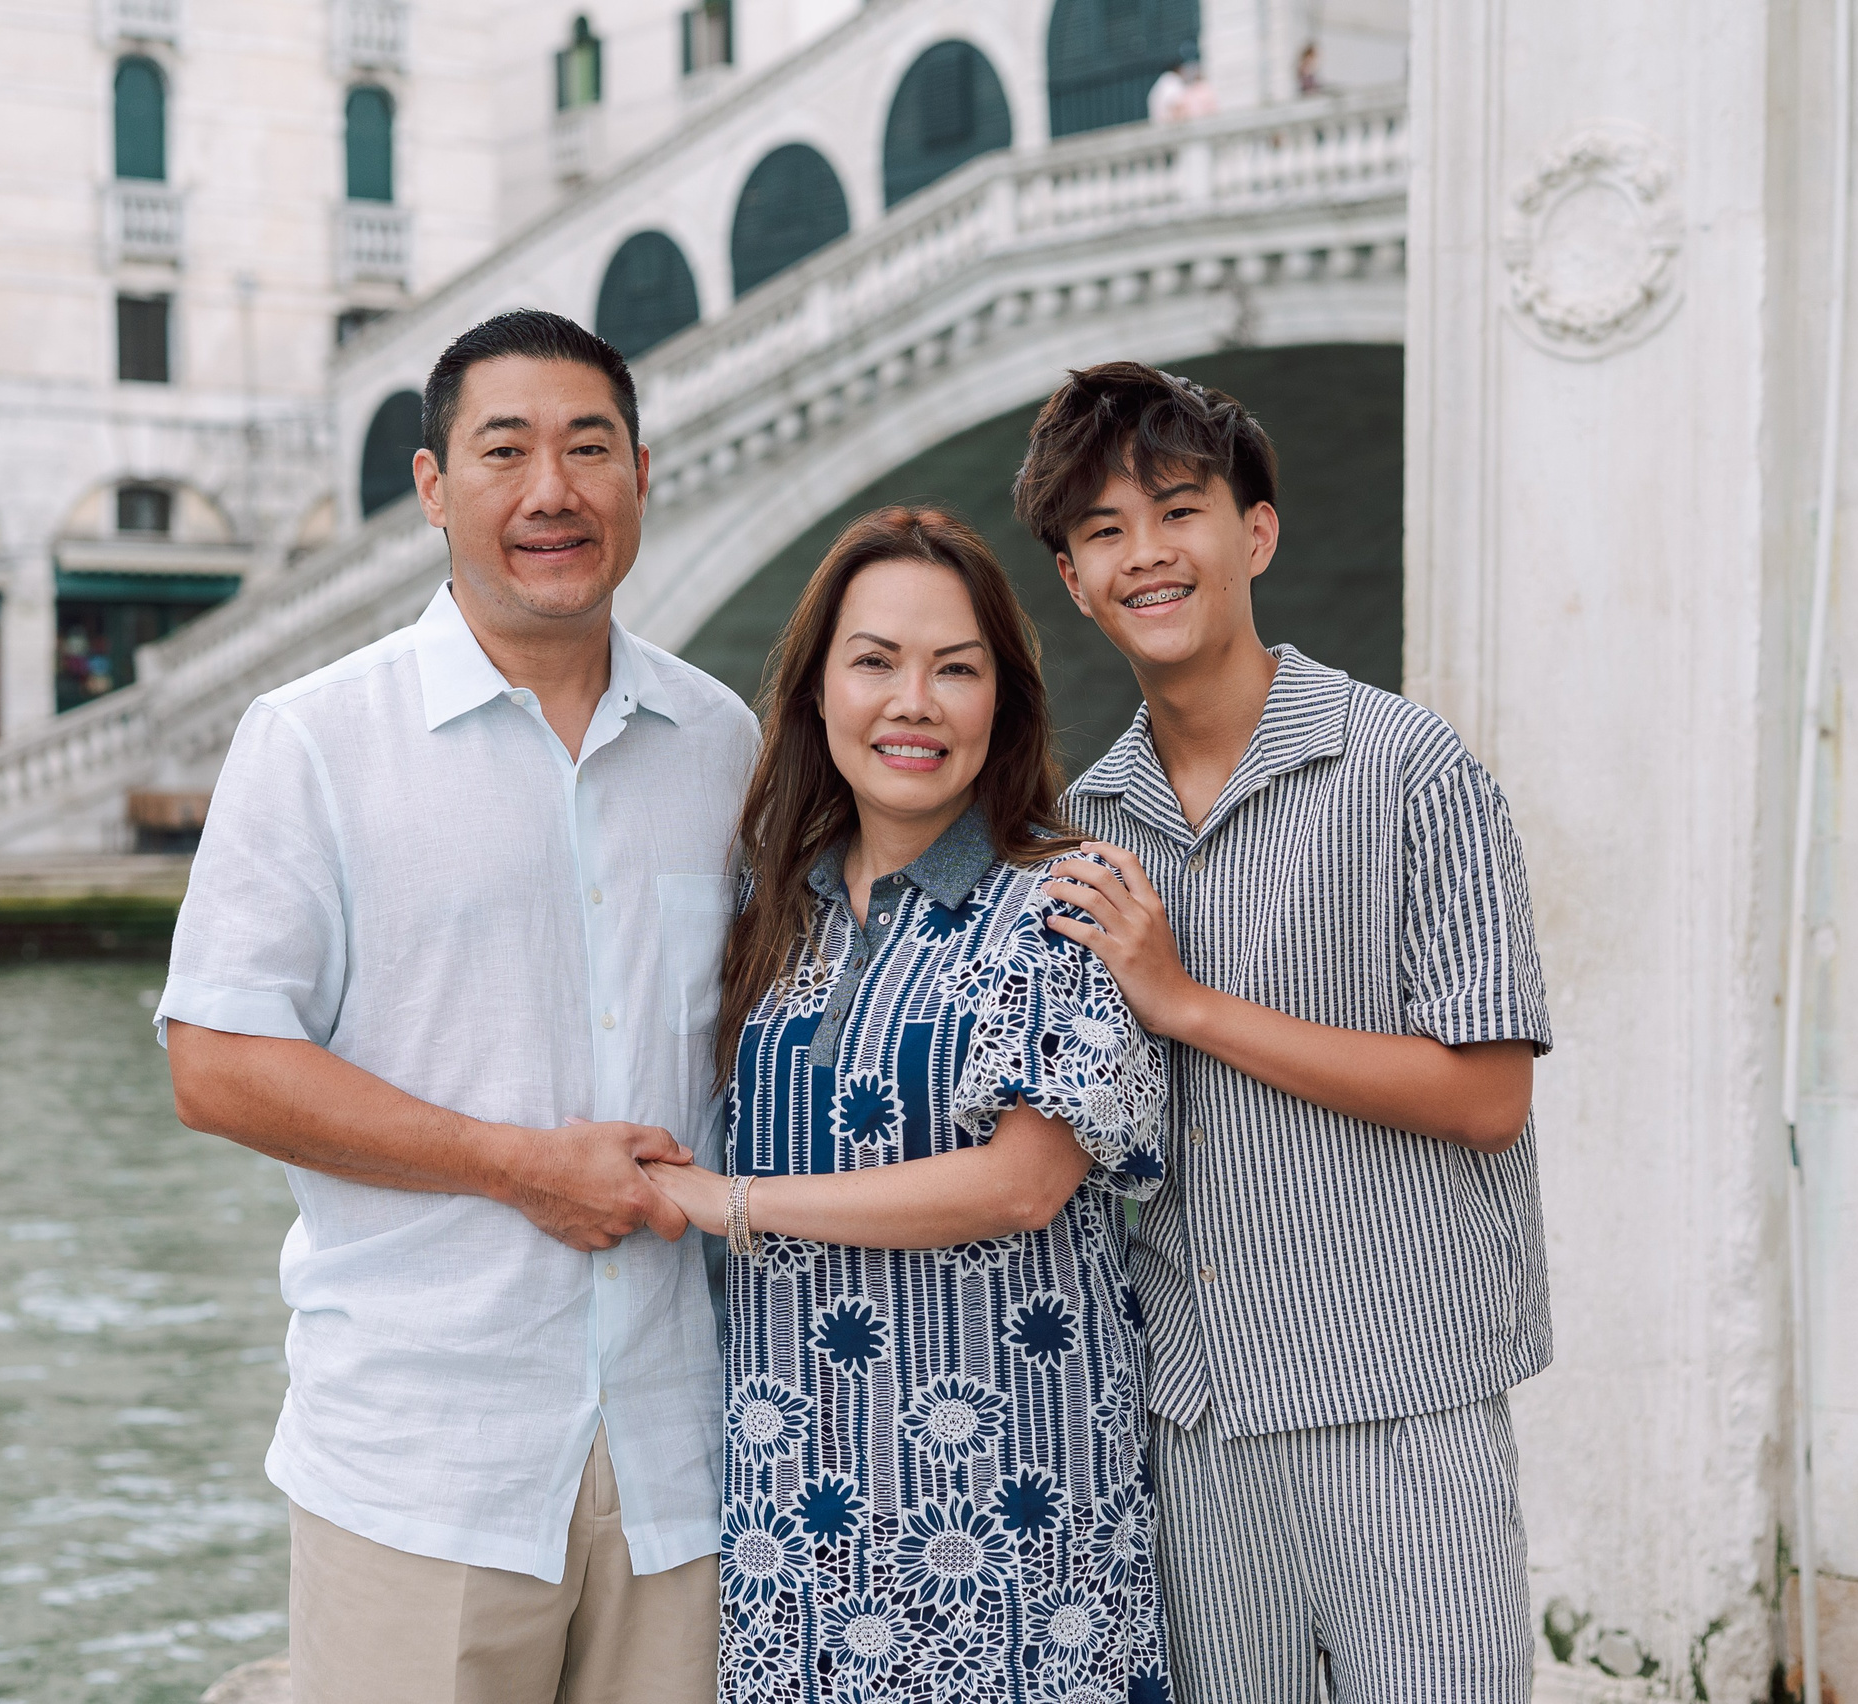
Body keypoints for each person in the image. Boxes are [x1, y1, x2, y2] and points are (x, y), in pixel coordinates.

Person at [158, 310, 760, 1704]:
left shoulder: (724, 743)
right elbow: (217, 1066)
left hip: (687, 1456)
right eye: (506, 452)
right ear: (434, 490)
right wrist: (521, 1167)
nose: (552, 491)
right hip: (425, 1461)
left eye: (587, 449)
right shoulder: (314, 740)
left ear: (642, 477)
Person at [1014, 362, 1554, 1704]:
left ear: (1254, 532)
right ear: (1075, 583)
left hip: (1407, 1404)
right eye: (1102, 531)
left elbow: (1488, 1096)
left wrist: (1186, 1003)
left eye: (1176, 510)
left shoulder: (1411, 770)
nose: (1146, 553)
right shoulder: (1084, 831)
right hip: (1191, 1420)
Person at [640, 507, 1172, 1704]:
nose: (913, 702)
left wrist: (723, 1202)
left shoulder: (1059, 902)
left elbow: (1024, 1182)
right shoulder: (775, 913)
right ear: (817, 693)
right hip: (794, 1514)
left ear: (1006, 702)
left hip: (1013, 1516)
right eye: (874, 661)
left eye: (956, 669)